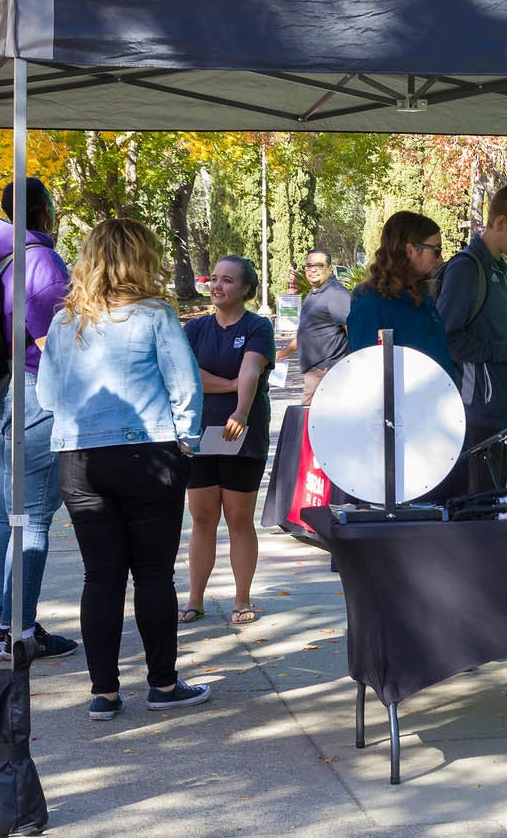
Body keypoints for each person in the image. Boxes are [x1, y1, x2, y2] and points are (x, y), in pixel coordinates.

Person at [36, 219, 209, 721]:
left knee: (102, 575)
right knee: (154, 574)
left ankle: (104, 692)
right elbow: (185, 385)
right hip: (148, 451)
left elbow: (47, 395)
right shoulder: (155, 314)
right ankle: (162, 682)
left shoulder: (66, 322)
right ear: (141, 258)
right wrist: (187, 441)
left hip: (81, 457)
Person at [0, 177, 78, 660]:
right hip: (33, 395)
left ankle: (1, 623)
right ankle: (20, 631)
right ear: (43, 210)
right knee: (32, 520)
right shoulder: (41, 261)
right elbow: (55, 344)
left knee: (6, 516)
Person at [180, 256, 274, 627]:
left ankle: (241, 599)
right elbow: (189, 377)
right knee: (202, 519)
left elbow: (251, 369)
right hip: (200, 433)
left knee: (238, 519)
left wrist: (240, 411)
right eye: (215, 279)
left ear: (247, 288)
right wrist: (232, 385)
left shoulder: (257, 326)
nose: (218, 286)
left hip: (242, 433)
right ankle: (194, 599)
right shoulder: (195, 329)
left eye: (228, 281)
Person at [436, 182, 507, 498]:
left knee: (495, 506)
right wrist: (505, 352)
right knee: (476, 508)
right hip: (473, 414)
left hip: (498, 410)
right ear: (499, 223)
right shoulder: (467, 268)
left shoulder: (498, 268)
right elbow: (448, 338)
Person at [346, 212, 453, 378]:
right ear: (410, 250)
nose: (440, 260)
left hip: (437, 399)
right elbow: (366, 377)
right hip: (406, 403)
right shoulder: (371, 304)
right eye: (436, 251)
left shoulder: (421, 298)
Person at [278, 248, 349, 404]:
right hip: (315, 371)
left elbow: (351, 328)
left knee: (312, 419)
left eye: (319, 265)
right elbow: (307, 329)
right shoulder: (315, 292)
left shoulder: (335, 294)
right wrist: (285, 352)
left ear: (330, 268)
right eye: (309, 265)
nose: (313, 269)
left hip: (327, 371)